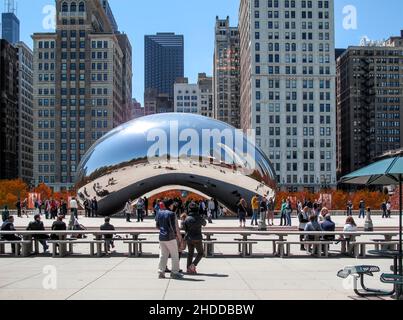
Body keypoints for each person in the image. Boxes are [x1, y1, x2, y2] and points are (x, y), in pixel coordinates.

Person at [156, 199, 183, 280]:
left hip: (161, 237)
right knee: (175, 255)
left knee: (163, 255)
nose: (173, 206)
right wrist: (178, 236)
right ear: (170, 205)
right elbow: (174, 227)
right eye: (172, 204)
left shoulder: (159, 212)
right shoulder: (172, 214)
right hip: (170, 237)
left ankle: (161, 272)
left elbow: (157, 226)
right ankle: (174, 272)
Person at [183, 202, 207, 274]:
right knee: (201, 253)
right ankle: (193, 265)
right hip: (197, 238)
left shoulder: (187, 218)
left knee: (190, 253)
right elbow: (205, 223)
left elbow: (185, 228)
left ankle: (188, 268)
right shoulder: (199, 217)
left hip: (189, 238)